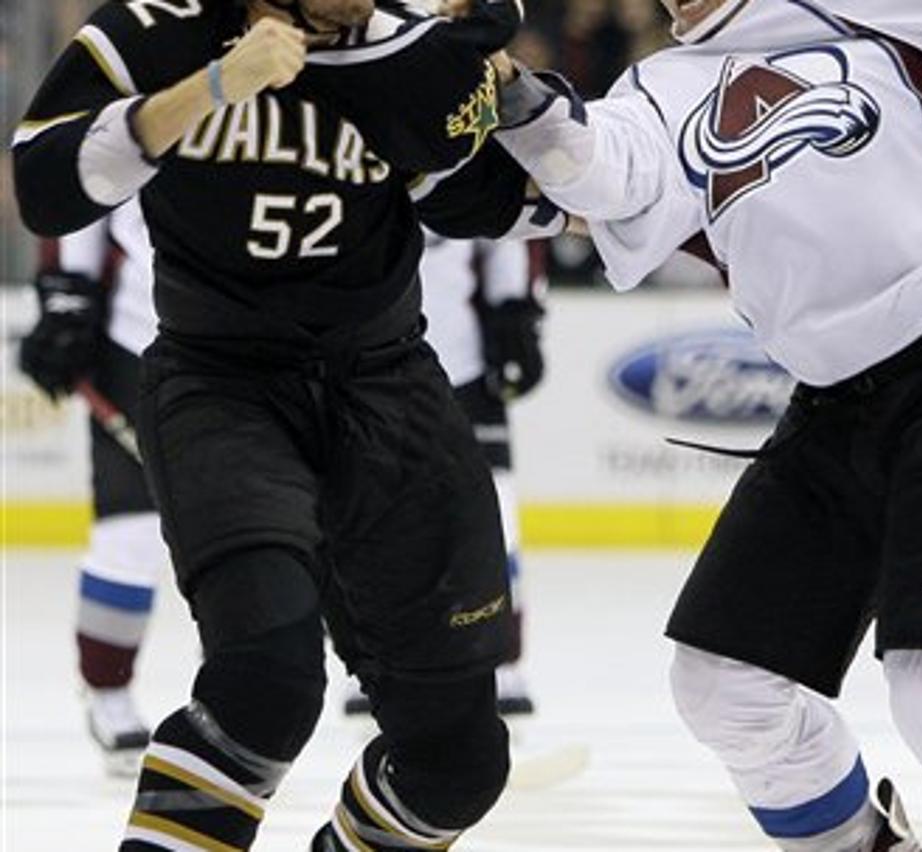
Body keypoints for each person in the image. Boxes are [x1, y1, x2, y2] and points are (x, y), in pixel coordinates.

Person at [493, 0, 922, 849]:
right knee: (724, 685)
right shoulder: (654, 90)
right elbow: (598, 169)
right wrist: (513, 96)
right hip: (837, 405)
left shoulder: (872, 9)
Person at [12, 0, 563, 848]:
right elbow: (44, 186)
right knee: (264, 684)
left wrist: (525, 111)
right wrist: (211, 89)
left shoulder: (395, 41)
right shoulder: (161, 27)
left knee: (459, 761)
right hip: (222, 386)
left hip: (389, 388)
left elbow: (490, 201)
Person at [346, 233, 548, 717]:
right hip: (364, 364)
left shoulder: (469, 157)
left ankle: (500, 661)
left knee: (495, 522)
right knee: (369, 521)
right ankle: (374, 661)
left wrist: (515, 308)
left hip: (464, 368)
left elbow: (509, 229)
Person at [19, 197, 164, 776]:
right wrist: (68, 301)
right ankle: (108, 690)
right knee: (132, 530)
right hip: (140, 342)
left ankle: (241, 675)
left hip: (281, 346)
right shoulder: (136, 104)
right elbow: (84, 175)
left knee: (266, 526)